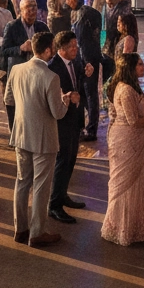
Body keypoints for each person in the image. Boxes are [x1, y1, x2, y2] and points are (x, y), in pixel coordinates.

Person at [5, 31, 70, 247]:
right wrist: (66, 100)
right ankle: (37, 232)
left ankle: (20, 229)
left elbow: (8, 99)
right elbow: (57, 113)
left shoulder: (16, 69)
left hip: (21, 134)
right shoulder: (51, 77)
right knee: (41, 186)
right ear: (48, 50)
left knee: (22, 182)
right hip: (44, 138)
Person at [101, 53, 144, 246]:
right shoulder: (126, 90)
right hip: (127, 140)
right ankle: (123, 227)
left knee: (142, 178)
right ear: (129, 68)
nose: (143, 67)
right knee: (126, 182)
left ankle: (140, 223)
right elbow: (133, 121)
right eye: (139, 64)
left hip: (138, 138)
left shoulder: (133, 86)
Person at [47, 31, 91, 221]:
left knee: (71, 159)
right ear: (61, 48)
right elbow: (50, 97)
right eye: (72, 46)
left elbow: (78, 80)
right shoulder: (52, 67)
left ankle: (62, 194)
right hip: (61, 121)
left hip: (74, 118)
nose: (76, 49)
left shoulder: (76, 61)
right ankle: (54, 205)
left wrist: (86, 72)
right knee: (62, 161)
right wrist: (66, 97)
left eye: (76, 45)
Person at [1, 0, 50, 131]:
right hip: (19, 72)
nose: (32, 10)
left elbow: (50, 48)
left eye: (34, 7)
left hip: (37, 73)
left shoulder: (42, 26)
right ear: (21, 11)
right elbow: (4, 50)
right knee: (15, 104)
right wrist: (21, 48)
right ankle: (15, 133)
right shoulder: (12, 27)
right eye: (29, 7)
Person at [68, 0, 102, 141]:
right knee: (85, 94)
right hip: (87, 59)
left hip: (87, 61)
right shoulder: (86, 13)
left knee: (89, 94)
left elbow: (81, 40)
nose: (66, 4)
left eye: (67, 1)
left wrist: (84, 62)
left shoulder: (84, 14)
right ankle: (86, 126)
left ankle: (91, 128)